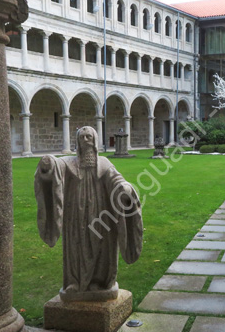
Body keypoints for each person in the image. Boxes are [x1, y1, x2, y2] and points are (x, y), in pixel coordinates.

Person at [34, 126, 143, 301]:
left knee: (102, 245)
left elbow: (116, 179)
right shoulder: (69, 163)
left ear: (95, 140)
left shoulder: (105, 163)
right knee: (76, 245)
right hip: (75, 213)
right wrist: (48, 163)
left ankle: (99, 281)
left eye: (89, 136)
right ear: (77, 141)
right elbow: (56, 167)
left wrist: (124, 187)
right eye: (82, 137)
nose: (85, 140)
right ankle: (74, 282)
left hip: (101, 211)